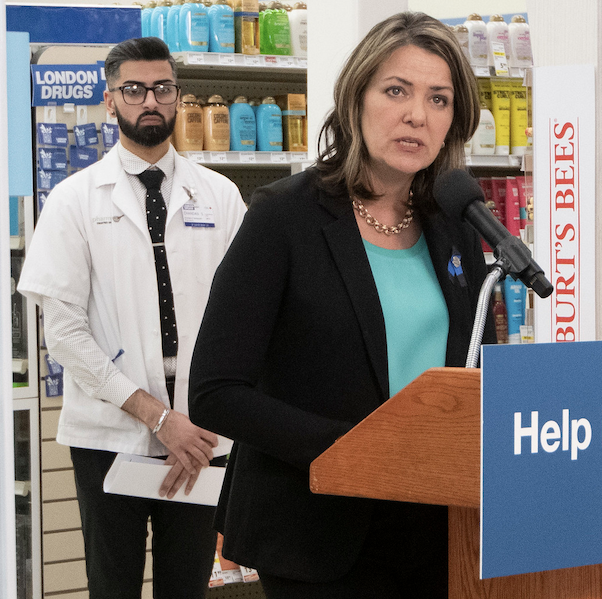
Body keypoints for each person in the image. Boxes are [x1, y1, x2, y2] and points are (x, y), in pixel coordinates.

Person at [189, 11, 495, 599]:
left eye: (439, 99)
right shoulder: (285, 216)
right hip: (318, 530)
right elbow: (215, 389)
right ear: (357, 98)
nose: (416, 115)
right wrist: (353, 446)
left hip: (435, 524)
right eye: (397, 91)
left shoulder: (454, 223)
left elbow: (477, 374)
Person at [18, 37, 247, 599]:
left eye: (163, 88)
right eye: (134, 89)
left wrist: (195, 421)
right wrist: (156, 417)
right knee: (112, 584)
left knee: (187, 585)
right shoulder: (74, 200)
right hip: (110, 434)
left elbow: (246, 318)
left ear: (177, 97)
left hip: (200, 434)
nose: (151, 100)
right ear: (110, 100)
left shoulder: (219, 196)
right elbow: (65, 334)